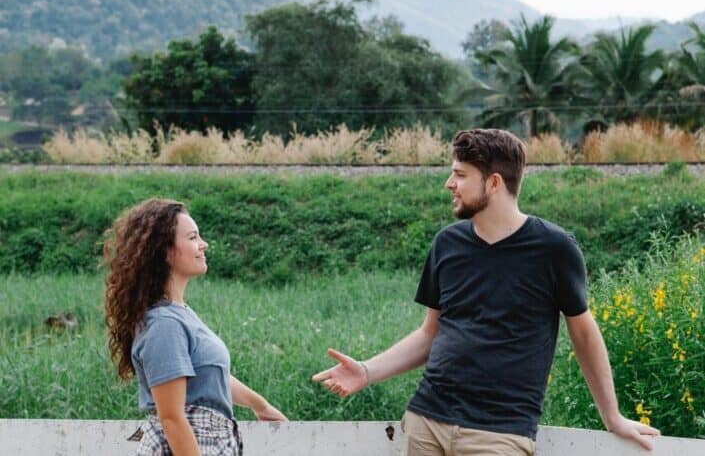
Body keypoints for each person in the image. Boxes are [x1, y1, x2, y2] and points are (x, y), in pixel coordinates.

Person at [313, 129, 660, 455]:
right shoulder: (446, 244)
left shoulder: (554, 248)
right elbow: (428, 335)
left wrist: (612, 417)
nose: (450, 183)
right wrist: (367, 370)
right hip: (426, 420)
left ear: (494, 183)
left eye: (461, 175)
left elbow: (584, 334)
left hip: (499, 433)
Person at [104, 198, 286, 456]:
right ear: (165, 251)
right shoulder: (165, 325)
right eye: (192, 237)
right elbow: (171, 418)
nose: (204, 244)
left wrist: (261, 406)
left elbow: (211, 375)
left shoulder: (179, 315)